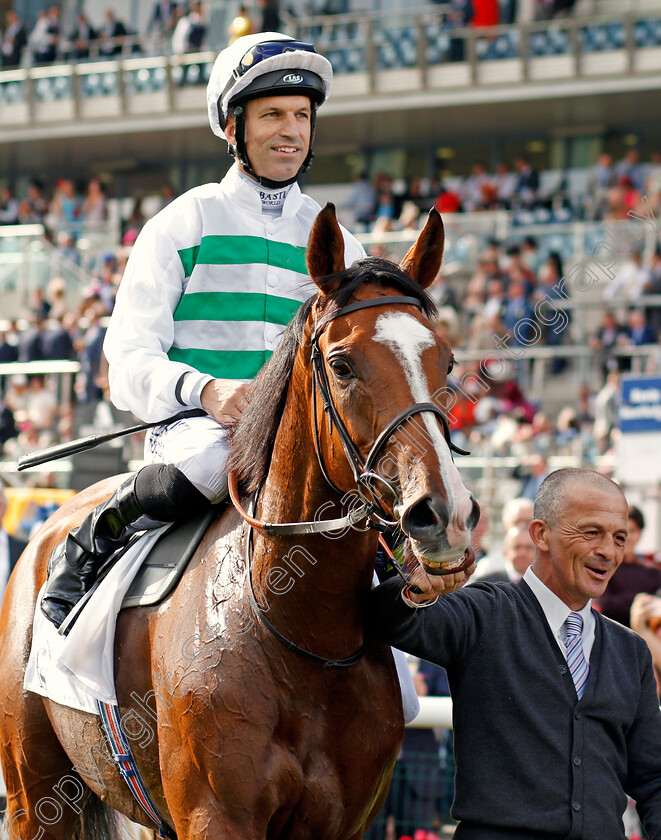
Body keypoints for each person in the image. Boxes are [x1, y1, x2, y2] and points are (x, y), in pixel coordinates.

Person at [40, 32, 365, 629]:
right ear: (233, 125)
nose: (291, 130)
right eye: (271, 115)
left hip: (303, 441)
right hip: (197, 433)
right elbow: (127, 360)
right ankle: (97, 533)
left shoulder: (336, 240)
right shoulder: (183, 221)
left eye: (301, 115)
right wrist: (207, 391)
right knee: (221, 465)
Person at [368, 468, 661, 839]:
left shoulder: (630, 651)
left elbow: (653, 777)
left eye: (619, 537)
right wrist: (415, 589)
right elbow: (387, 619)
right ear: (540, 534)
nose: (609, 550)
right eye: (591, 532)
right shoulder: (484, 613)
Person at [597, 504, 661, 628]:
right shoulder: (601, 567)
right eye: (622, 531)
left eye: (632, 531)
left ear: (640, 533)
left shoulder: (652, 572)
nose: (627, 537)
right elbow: (604, 605)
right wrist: (640, 600)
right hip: (611, 637)